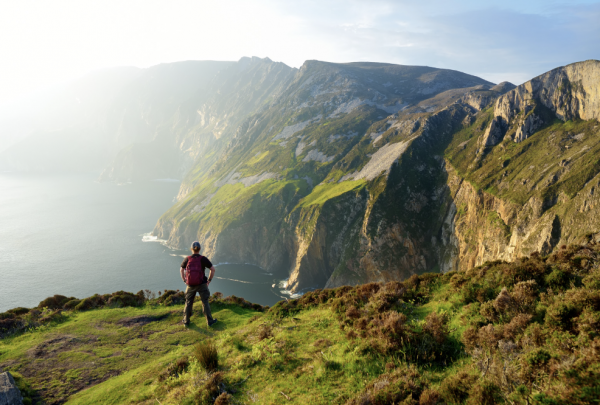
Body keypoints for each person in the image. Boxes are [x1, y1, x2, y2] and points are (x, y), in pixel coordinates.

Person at [180, 241, 218, 327]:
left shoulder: (187, 259)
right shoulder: (203, 259)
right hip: (202, 284)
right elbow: (213, 269)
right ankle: (209, 322)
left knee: (188, 302)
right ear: (200, 249)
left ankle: (186, 321)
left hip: (190, 285)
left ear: (191, 249)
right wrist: (209, 280)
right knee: (205, 302)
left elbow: (181, 270)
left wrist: (184, 280)